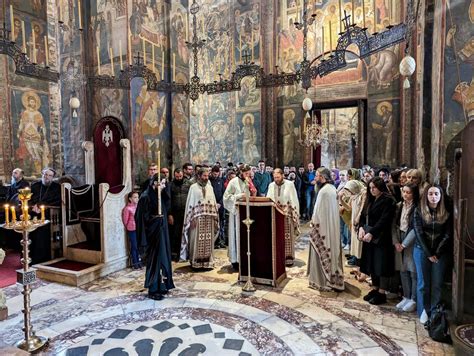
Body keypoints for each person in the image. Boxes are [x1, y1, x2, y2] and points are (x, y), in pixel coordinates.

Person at [413, 184, 452, 324]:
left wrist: (437, 252)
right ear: (426, 196)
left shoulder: (446, 212)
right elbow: (419, 232)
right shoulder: (419, 210)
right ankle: (423, 310)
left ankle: (434, 311)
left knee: (437, 283)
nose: (433, 197)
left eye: (436, 194)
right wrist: (429, 253)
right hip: (422, 249)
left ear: (441, 196)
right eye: (430, 194)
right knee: (423, 283)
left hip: (440, 252)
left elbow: (448, 234)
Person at [135, 173, 175, 300]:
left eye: (164, 183)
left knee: (163, 259)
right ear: (154, 183)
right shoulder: (145, 197)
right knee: (155, 261)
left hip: (162, 234)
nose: (164, 186)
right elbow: (141, 219)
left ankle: (162, 286)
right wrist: (155, 221)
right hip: (152, 236)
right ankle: (153, 289)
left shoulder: (160, 196)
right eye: (161, 183)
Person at [359, 177, 396, 305]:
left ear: (380, 187)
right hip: (369, 237)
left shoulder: (388, 200)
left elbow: (384, 220)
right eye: (370, 188)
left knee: (381, 265)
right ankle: (374, 289)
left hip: (382, 238)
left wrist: (372, 232)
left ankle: (381, 292)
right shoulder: (370, 199)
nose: (372, 190)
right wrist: (361, 228)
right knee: (371, 263)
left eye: (374, 187)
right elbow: (363, 216)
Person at [307, 168, 344, 292]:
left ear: (322, 177)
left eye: (316, 176)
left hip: (324, 228)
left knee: (323, 250)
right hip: (331, 226)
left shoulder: (324, 191)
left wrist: (313, 224)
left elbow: (318, 212)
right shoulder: (332, 189)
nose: (315, 179)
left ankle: (324, 280)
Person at [181, 168, 219, 268]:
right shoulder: (193, 188)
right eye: (204, 176)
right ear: (199, 176)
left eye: (207, 176)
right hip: (196, 219)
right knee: (196, 242)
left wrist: (215, 217)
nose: (206, 178)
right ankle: (196, 262)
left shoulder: (210, 187)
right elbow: (190, 203)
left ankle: (208, 263)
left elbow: (213, 202)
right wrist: (191, 218)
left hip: (209, 219)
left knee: (208, 242)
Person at [223, 164, 256, 268]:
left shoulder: (249, 181)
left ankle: (246, 259)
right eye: (246, 173)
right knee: (236, 235)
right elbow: (226, 197)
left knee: (246, 236)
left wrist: (253, 192)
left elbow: (253, 194)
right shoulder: (233, 182)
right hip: (236, 213)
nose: (248, 175)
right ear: (241, 172)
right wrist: (238, 196)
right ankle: (235, 260)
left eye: (249, 173)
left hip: (247, 212)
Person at [392, 184, 419, 313]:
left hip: (411, 240)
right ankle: (406, 296)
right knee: (403, 270)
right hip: (400, 237)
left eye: (409, 192)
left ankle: (413, 299)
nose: (406, 194)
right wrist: (396, 242)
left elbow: (416, 228)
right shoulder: (398, 206)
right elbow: (394, 224)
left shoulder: (417, 208)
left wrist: (404, 244)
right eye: (404, 192)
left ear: (414, 194)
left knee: (413, 271)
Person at [266, 168, 300, 265]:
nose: (276, 179)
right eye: (274, 177)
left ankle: (288, 257)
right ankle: (277, 256)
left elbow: (294, 200)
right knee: (276, 237)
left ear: (282, 175)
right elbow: (269, 199)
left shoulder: (290, 184)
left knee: (287, 237)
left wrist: (294, 214)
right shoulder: (271, 185)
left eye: (278, 177)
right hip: (275, 215)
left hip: (287, 216)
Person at [29, 167, 61, 264]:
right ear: (42, 174)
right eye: (45, 174)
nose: (47, 177)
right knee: (27, 229)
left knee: (40, 232)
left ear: (53, 177)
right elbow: (28, 199)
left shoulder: (57, 187)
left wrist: (43, 207)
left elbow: (58, 202)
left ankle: (41, 258)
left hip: (49, 215)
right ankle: (29, 257)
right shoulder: (34, 186)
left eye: (50, 175)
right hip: (33, 213)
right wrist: (33, 207)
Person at [168, 168, 189, 261]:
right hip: (175, 213)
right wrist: (170, 214)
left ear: (183, 175)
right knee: (176, 234)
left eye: (180, 176)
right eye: (177, 177)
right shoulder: (170, 185)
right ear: (174, 176)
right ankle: (176, 254)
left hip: (186, 212)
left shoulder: (188, 184)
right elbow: (168, 200)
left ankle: (186, 253)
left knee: (185, 233)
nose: (179, 178)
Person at [122, 191, 142, 269]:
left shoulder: (138, 207)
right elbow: (125, 221)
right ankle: (135, 263)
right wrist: (129, 227)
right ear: (130, 199)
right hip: (132, 230)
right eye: (135, 197)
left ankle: (139, 261)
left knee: (138, 246)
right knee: (134, 246)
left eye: (137, 197)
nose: (137, 199)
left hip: (139, 229)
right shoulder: (127, 209)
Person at [209, 165, 226, 248]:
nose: (215, 175)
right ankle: (213, 242)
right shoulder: (209, 181)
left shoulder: (221, 181)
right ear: (211, 173)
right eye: (214, 174)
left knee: (221, 225)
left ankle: (220, 241)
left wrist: (220, 203)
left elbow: (224, 193)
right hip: (211, 206)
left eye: (217, 174)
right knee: (213, 225)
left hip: (220, 206)